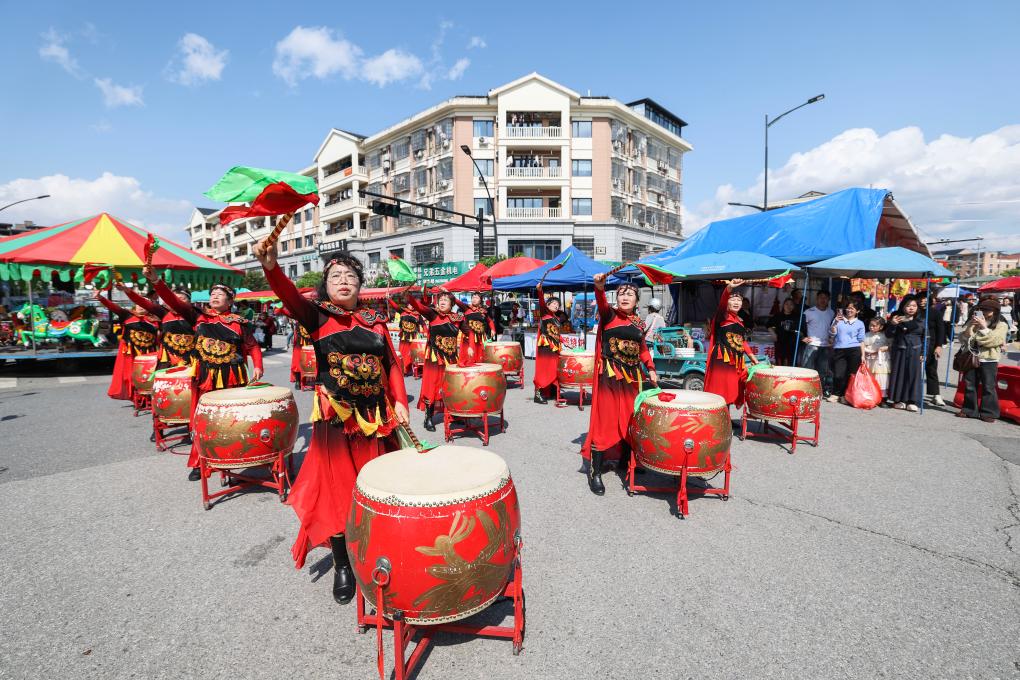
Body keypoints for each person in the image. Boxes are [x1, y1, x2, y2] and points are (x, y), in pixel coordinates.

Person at [254, 239, 408, 605]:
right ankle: (342, 563)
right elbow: (290, 298)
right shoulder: (317, 316)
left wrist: (401, 402)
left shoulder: (376, 322)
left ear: (360, 284)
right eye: (336, 275)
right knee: (338, 494)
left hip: (376, 419)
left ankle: (377, 550)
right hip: (337, 422)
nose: (344, 280)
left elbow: (390, 365)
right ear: (325, 284)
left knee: (376, 487)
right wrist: (272, 268)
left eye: (351, 275)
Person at [146, 266, 263, 480]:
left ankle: (233, 458)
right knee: (203, 420)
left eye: (220, 294)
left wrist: (257, 366)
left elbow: (253, 346)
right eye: (213, 294)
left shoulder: (239, 323)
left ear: (230, 301)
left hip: (232, 378)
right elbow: (174, 302)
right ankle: (200, 463)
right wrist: (157, 282)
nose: (215, 296)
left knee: (230, 421)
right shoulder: (197, 316)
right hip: (205, 379)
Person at [581, 275, 658, 495]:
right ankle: (595, 471)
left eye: (630, 294)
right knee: (604, 422)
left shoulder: (639, 323)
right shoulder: (609, 315)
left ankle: (625, 461)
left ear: (637, 300)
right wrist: (599, 287)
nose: (625, 297)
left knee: (629, 419)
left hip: (633, 378)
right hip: (610, 378)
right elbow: (601, 300)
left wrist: (650, 368)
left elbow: (642, 348)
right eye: (622, 293)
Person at [407, 287, 464, 431]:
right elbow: (418, 306)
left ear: (452, 304)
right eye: (441, 300)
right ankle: (429, 417)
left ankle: (454, 414)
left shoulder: (457, 318)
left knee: (450, 386)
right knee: (432, 386)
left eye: (446, 300)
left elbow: (468, 330)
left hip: (451, 359)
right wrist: (408, 296)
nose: (443, 302)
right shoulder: (433, 314)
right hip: (434, 358)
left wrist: (469, 346)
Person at [93, 288, 161, 401]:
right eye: (138, 304)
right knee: (130, 376)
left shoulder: (155, 320)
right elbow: (114, 308)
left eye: (144, 304)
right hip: (132, 352)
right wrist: (101, 298)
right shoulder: (127, 315)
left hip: (150, 353)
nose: (140, 306)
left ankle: (150, 398)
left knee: (149, 376)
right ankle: (136, 398)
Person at [704, 280, 758, 408]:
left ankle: (726, 419)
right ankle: (719, 420)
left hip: (737, 361)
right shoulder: (722, 315)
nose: (736, 302)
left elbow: (742, 341)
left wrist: (752, 357)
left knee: (731, 390)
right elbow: (722, 303)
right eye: (733, 300)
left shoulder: (739, 321)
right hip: (722, 359)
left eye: (739, 300)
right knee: (721, 391)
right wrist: (729, 288)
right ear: (727, 302)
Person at [956, 297, 1008, 422]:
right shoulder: (973, 321)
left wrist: (984, 327)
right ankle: (969, 410)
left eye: (988, 310)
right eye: (982, 309)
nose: (984, 312)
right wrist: (971, 327)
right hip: (971, 357)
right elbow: (963, 338)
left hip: (989, 359)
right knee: (969, 384)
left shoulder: (1001, 325)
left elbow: (994, 341)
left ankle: (988, 412)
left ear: (995, 311)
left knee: (988, 386)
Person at [884, 294, 924, 411]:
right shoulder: (896, 318)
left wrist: (923, 352)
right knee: (899, 374)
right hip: (900, 349)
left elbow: (926, 338)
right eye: (908, 306)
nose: (911, 308)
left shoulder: (921, 319)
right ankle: (899, 400)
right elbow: (888, 334)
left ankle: (912, 401)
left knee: (913, 375)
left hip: (916, 350)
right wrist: (892, 325)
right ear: (903, 307)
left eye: (914, 306)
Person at [799, 291, 836, 398]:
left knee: (822, 371)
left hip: (825, 346)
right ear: (817, 298)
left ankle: (817, 392)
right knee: (807, 369)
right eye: (821, 297)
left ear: (829, 299)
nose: (823, 300)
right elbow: (800, 327)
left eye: (825, 298)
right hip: (812, 345)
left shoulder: (831, 313)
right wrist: (803, 338)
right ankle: (804, 390)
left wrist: (831, 339)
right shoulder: (809, 312)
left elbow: (833, 329)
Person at [829, 302, 866, 404]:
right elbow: (832, 334)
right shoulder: (839, 320)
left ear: (857, 311)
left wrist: (863, 355)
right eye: (848, 308)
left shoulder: (860, 323)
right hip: (839, 349)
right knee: (838, 374)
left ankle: (845, 395)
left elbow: (861, 340)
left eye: (852, 309)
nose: (849, 310)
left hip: (854, 350)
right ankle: (836, 394)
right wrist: (835, 323)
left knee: (851, 375)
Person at [533, 283, 562, 404]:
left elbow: (556, 334)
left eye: (558, 304)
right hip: (545, 346)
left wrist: (564, 341)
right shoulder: (545, 313)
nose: (556, 305)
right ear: (548, 305)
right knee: (544, 369)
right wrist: (540, 291)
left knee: (554, 369)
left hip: (555, 347)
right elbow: (541, 302)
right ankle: (538, 393)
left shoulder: (557, 318)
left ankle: (550, 391)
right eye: (553, 303)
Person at [918, 294, 948, 406]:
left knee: (931, 369)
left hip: (931, 343)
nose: (922, 302)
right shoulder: (915, 312)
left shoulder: (935, 312)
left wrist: (939, 345)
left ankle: (936, 395)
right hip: (916, 343)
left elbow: (941, 329)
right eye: (920, 299)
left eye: (925, 300)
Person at [388, 294, 423, 376]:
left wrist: (426, 333)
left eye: (414, 304)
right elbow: (395, 306)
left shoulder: (417, 314)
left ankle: (410, 369)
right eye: (411, 304)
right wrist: (389, 299)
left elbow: (423, 324)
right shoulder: (402, 311)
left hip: (413, 337)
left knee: (412, 354)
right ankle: (402, 369)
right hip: (404, 337)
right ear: (407, 304)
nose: (412, 306)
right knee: (402, 353)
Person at [458, 291, 495, 366]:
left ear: (480, 300)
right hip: (468, 337)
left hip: (480, 337)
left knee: (479, 357)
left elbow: (490, 321)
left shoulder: (483, 311)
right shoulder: (466, 308)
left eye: (477, 297)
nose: (474, 299)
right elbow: (458, 302)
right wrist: (447, 293)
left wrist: (493, 329)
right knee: (467, 357)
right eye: (473, 297)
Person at [862, 317, 891, 399]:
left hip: (881, 360)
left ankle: (882, 397)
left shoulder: (885, 335)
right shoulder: (866, 335)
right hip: (869, 359)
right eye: (870, 325)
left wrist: (886, 348)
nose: (871, 327)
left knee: (881, 378)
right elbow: (862, 345)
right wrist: (867, 351)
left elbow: (890, 345)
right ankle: (871, 396)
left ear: (881, 327)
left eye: (874, 326)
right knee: (870, 377)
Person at [767, 297, 801, 366]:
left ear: (794, 306)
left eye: (791, 304)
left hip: (792, 344)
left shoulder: (797, 317)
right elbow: (768, 324)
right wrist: (773, 333)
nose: (788, 306)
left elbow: (800, 329)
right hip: (780, 343)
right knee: (779, 363)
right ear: (783, 305)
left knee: (790, 363)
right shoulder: (778, 315)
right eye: (786, 304)